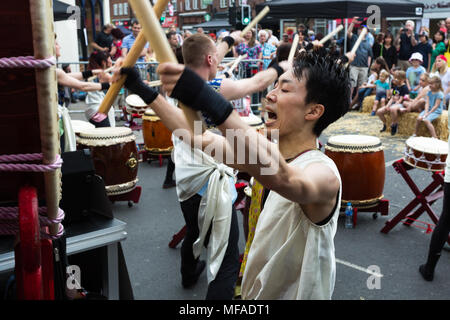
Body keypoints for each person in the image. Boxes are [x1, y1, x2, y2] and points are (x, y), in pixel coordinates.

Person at [152, 50, 350, 300]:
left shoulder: (323, 173)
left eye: (285, 90)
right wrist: (149, 95)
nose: (270, 94)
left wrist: (207, 98)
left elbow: (283, 178)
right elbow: (199, 137)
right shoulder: (267, 150)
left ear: (313, 112)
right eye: (274, 86)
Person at [84, 51, 115, 127]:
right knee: (107, 136)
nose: (111, 61)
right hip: (99, 110)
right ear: (103, 62)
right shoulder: (102, 74)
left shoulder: (92, 72)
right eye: (109, 59)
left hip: (92, 109)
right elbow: (119, 81)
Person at [376, 70, 409, 134]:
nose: (395, 80)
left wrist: (396, 103)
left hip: (400, 104)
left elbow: (402, 98)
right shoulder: (395, 87)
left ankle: (394, 124)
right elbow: (392, 97)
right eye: (394, 78)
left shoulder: (404, 87)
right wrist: (388, 105)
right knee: (379, 112)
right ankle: (385, 124)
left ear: (402, 79)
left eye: (397, 78)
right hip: (394, 103)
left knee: (393, 109)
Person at [347, 19, 373, 98]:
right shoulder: (355, 38)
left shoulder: (368, 44)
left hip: (364, 67)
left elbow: (369, 55)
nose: (360, 30)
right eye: (359, 29)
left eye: (363, 29)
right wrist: (352, 23)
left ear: (367, 32)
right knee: (352, 85)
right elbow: (348, 33)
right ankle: (349, 101)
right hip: (354, 65)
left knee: (361, 86)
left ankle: (357, 102)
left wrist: (368, 66)